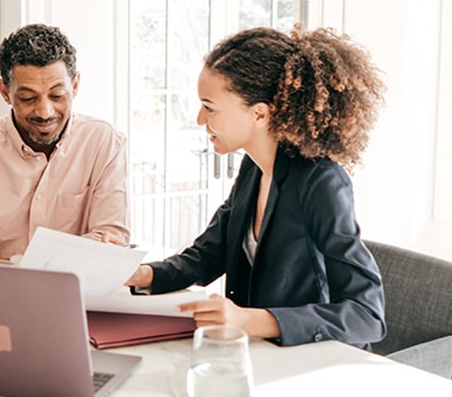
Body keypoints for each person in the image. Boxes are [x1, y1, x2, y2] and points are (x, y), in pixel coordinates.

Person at [124, 26, 387, 349]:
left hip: (313, 360)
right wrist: (140, 275)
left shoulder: (321, 182)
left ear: (259, 113)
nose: (198, 119)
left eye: (209, 107)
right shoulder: (254, 167)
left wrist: (248, 321)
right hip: (261, 355)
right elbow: (208, 256)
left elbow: (367, 314)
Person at [0, 23, 129, 262]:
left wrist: (1, 262)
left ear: (74, 86)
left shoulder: (105, 143)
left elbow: (111, 244)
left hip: (74, 298)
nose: (44, 112)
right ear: (4, 92)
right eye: (28, 98)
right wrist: (74, 254)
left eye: (57, 96)